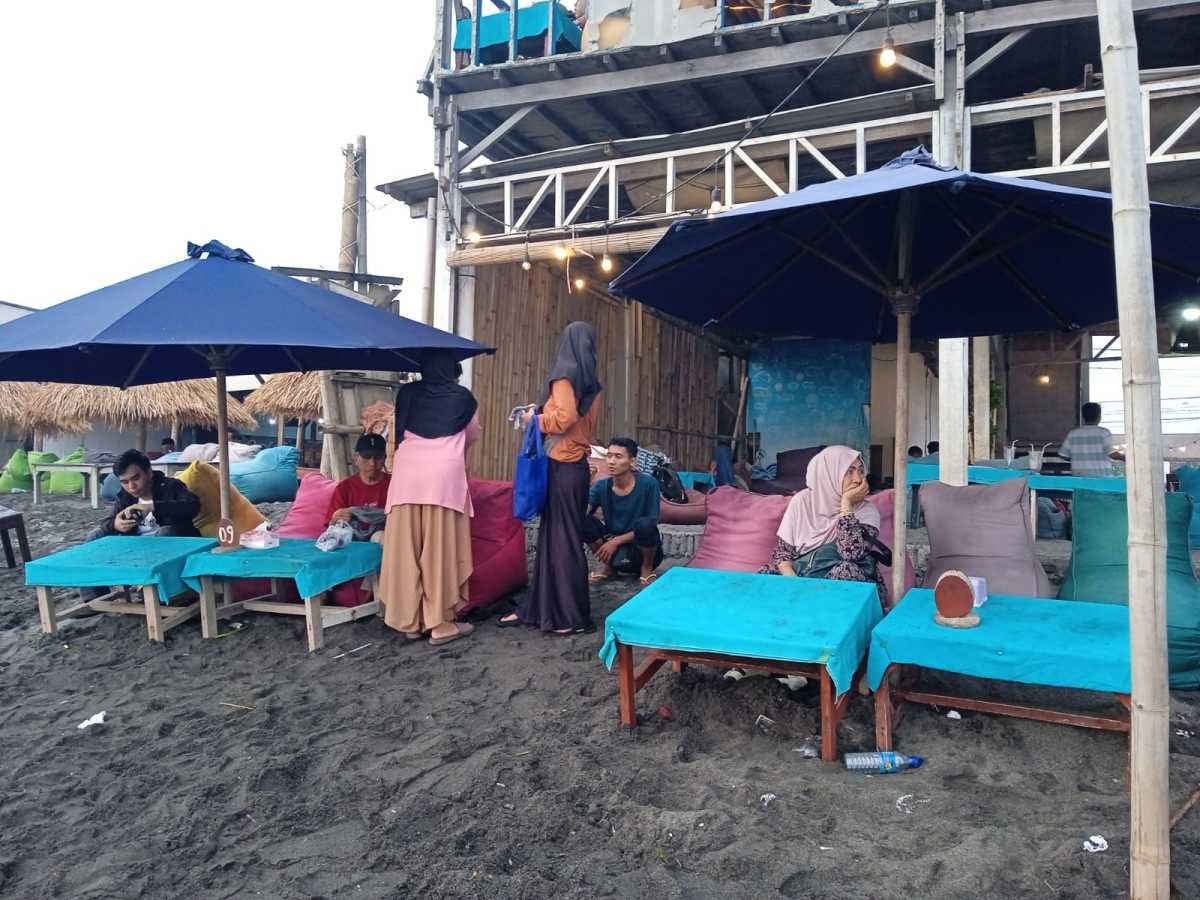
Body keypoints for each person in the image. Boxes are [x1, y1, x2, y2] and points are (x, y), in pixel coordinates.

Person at [501, 321, 602, 634]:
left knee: (561, 540)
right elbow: (574, 417)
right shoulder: (591, 385)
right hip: (577, 468)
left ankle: (568, 617)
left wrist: (533, 419)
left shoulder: (564, 376)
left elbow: (564, 418)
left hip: (561, 466)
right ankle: (546, 608)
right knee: (560, 538)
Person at [378, 351, 480, 645]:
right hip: (442, 479)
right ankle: (439, 623)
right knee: (438, 550)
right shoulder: (463, 399)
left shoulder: (407, 394)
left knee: (406, 549)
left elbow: (398, 432)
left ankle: (410, 621)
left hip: (407, 475)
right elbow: (472, 435)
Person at [760, 445, 890, 608]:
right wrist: (795, 584)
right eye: (849, 471)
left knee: (846, 571)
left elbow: (851, 553)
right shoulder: (802, 501)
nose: (858, 479)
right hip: (805, 575)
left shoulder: (866, 510)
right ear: (828, 474)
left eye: (861, 471)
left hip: (842, 582)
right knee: (766, 575)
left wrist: (846, 506)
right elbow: (783, 554)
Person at [584, 437, 662, 585]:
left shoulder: (649, 484)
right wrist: (586, 483)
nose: (611, 461)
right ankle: (609, 567)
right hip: (611, 547)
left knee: (646, 525)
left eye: (618, 456)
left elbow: (652, 522)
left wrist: (616, 541)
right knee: (582, 521)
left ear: (632, 461)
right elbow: (583, 513)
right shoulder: (601, 486)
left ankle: (646, 569)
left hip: (640, 548)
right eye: (609, 456)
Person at [98, 449, 201, 538]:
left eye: (136, 478)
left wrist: (153, 507)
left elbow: (193, 505)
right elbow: (106, 522)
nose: (131, 487)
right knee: (97, 533)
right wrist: (115, 524)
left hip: (175, 545)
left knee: (166, 532)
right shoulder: (125, 496)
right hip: (138, 547)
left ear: (149, 473)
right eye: (125, 482)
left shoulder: (170, 486)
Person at [327, 433, 392, 525]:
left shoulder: (394, 485)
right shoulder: (344, 488)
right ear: (356, 458)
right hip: (352, 533)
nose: (372, 463)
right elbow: (331, 524)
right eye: (366, 457)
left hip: (386, 533)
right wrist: (336, 518)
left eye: (378, 457)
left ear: (384, 458)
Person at [1059, 402, 1123, 476]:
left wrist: (1078, 460)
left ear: (1083, 416)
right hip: (1102, 478)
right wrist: (1124, 458)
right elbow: (1112, 453)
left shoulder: (1073, 434)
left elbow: (1062, 455)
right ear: (1099, 416)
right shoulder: (1104, 432)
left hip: (1080, 479)